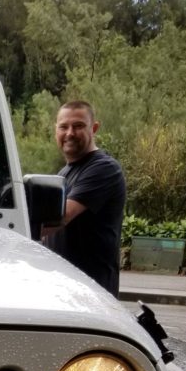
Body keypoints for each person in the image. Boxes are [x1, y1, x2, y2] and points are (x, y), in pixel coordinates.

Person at [43, 101, 126, 297]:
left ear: (94, 128)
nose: (70, 133)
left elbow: (59, 218)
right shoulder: (65, 172)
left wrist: (12, 230)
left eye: (78, 126)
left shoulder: (103, 169)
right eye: (63, 127)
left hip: (92, 294)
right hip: (65, 289)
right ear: (56, 130)